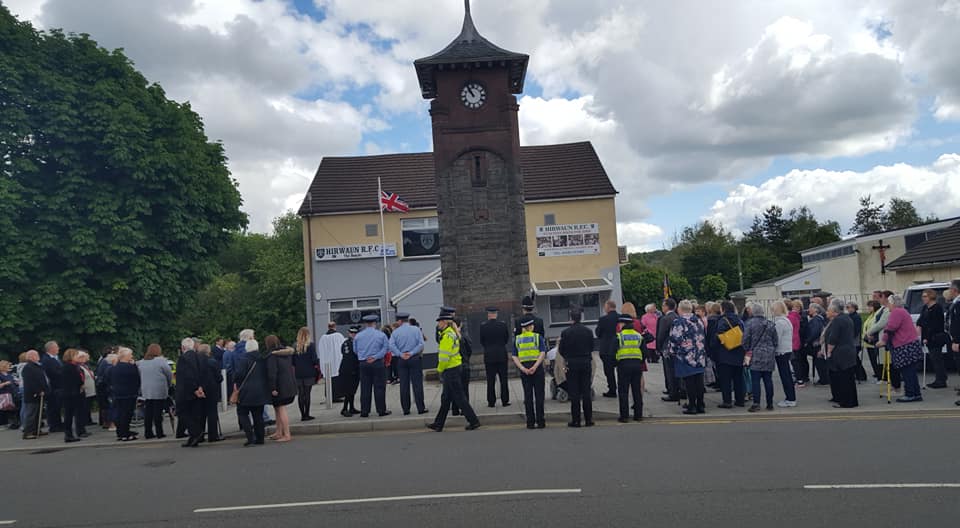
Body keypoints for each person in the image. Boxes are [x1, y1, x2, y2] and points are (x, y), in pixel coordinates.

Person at [427, 312, 480, 432]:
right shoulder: (451, 333)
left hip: (450, 369)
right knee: (446, 398)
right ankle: (438, 423)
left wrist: (439, 370)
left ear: (445, 322)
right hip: (454, 368)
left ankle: (474, 421)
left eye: (439, 322)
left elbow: (444, 357)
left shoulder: (447, 336)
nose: (438, 324)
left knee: (459, 398)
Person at [879, 294, 925, 403]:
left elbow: (890, 328)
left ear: (893, 303)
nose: (887, 306)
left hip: (904, 345)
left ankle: (910, 394)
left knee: (907, 371)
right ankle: (915, 393)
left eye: (889, 303)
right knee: (910, 371)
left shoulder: (896, 312)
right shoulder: (902, 311)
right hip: (910, 344)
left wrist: (883, 341)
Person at [559, 307, 594, 427]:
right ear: (581, 318)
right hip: (585, 362)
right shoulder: (588, 331)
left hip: (572, 363)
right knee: (586, 392)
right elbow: (592, 347)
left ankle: (576, 420)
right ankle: (589, 420)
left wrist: (568, 357)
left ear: (571, 319)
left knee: (574, 393)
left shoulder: (566, 333)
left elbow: (561, 350)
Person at [670, 301, 707, 415]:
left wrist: (672, 351)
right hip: (699, 354)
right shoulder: (698, 321)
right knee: (699, 380)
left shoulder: (679, 321)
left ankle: (692, 405)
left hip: (685, 355)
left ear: (680, 309)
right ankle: (700, 404)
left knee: (689, 381)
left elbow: (675, 338)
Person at [512, 316, 547, 429]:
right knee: (539, 395)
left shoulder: (517, 339)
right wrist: (536, 366)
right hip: (537, 369)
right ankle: (540, 421)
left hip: (525, 370)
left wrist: (522, 368)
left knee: (528, 396)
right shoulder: (537, 337)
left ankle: (530, 422)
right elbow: (542, 353)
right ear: (531, 327)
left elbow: (514, 356)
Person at [390, 313, 428, 415]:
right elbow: (421, 344)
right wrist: (411, 353)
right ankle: (421, 408)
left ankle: (406, 409)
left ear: (399, 321)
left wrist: (400, 354)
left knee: (404, 384)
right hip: (414, 358)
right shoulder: (416, 330)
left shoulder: (395, 332)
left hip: (402, 359)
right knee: (417, 384)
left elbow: (391, 345)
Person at [233, 338, 269, 446]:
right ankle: (260, 438)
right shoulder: (263, 359)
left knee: (242, 413)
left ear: (246, 348)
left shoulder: (244, 359)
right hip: (260, 391)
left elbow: (238, 375)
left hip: (246, 391)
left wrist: (234, 381)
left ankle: (250, 437)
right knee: (258, 416)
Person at [823, 299, 859, 408]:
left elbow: (833, 338)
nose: (827, 312)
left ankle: (846, 401)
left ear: (834, 311)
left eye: (828, 310)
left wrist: (828, 351)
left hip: (840, 353)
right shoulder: (847, 318)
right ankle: (852, 400)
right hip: (848, 351)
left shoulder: (837, 321)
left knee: (843, 379)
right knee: (849, 378)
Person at [742, 303, 778, 412]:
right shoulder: (770, 324)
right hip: (769, 354)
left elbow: (745, 340)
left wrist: (748, 349)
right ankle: (770, 403)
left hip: (756, 354)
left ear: (753, 312)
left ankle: (756, 403)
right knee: (768, 380)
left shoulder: (750, 323)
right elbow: (775, 341)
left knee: (755, 380)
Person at [354, 314, 391, 417]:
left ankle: (364, 411)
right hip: (377, 363)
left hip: (363, 363)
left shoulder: (358, 336)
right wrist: (375, 357)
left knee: (365, 388)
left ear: (366, 324)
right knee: (379, 387)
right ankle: (381, 410)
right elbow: (386, 349)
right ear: (375, 323)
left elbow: (355, 350)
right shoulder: (381, 335)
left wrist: (365, 357)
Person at [174, 338, 207, 447]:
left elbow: (187, 376)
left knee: (182, 413)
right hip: (197, 389)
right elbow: (202, 373)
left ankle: (196, 432)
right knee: (194, 414)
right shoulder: (199, 357)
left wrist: (195, 389)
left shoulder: (183, 359)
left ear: (183, 347)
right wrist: (200, 387)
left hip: (186, 391)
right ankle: (193, 437)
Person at [713, 301, 746, 408]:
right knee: (739, 378)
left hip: (725, 353)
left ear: (723, 309)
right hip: (739, 352)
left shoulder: (722, 320)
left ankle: (727, 401)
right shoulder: (739, 320)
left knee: (725, 379)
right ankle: (740, 400)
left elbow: (718, 336)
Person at [265, 335, 296, 442]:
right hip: (289, 384)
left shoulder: (272, 356)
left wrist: (272, 387)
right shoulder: (286, 353)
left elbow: (272, 373)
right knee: (277, 408)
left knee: (281, 408)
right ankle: (278, 432)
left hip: (279, 386)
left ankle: (287, 434)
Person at [138, 344, 172, 439]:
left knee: (148, 412)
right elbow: (168, 374)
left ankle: (148, 432)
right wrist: (168, 385)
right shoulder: (161, 361)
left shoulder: (141, 362)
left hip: (146, 390)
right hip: (159, 389)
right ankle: (159, 432)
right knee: (158, 412)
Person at [616, 314, 646, 421]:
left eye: (619, 323)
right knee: (636, 390)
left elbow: (613, 351)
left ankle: (624, 416)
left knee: (623, 391)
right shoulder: (638, 335)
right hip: (637, 365)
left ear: (623, 324)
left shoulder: (619, 336)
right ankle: (638, 415)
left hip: (623, 365)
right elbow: (644, 352)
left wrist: (616, 363)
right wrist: (640, 361)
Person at [479, 306, 511, 408]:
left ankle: (491, 402)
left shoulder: (483, 326)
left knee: (490, 380)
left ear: (488, 315)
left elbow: (482, 341)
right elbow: (506, 339)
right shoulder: (502, 325)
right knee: (503, 380)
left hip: (489, 356)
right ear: (496, 314)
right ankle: (505, 401)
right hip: (501, 355)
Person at [916, 289, 948, 389]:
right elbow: (921, 320)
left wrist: (927, 337)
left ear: (931, 297)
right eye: (923, 296)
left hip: (935, 337)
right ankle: (940, 378)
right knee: (934, 359)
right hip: (927, 337)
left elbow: (934, 325)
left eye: (925, 296)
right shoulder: (925, 307)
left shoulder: (937, 308)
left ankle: (941, 380)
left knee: (937, 358)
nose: (923, 298)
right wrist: (919, 325)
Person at [108, 347, 141, 442]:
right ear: (126, 356)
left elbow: (109, 379)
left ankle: (120, 432)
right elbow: (136, 379)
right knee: (127, 414)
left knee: (120, 413)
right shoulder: (130, 367)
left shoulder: (114, 367)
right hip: (129, 394)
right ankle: (125, 433)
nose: (132, 356)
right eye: (130, 355)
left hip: (118, 393)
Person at [772, 301, 797, 407]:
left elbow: (776, 338)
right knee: (786, 375)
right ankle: (790, 398)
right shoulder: (786, 320)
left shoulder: (779, 322)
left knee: (785, 376)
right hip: (786, 350)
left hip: (781, 351)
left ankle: (790, 399)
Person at [292, 327, 319, 421]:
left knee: (300, 394)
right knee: (307, 393)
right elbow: (314, 359)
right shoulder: (311, 345)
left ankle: (302, 415)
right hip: (309, 372)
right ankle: (307, 414)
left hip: (298, 373)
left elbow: (292, 362)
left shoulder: (295, 346)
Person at [198, 344, 223, 443]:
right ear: (208, 352)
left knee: (201, 413)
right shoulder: (212, 362)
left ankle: (200, 435)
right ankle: (213, 435)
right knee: (212, 412)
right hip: (212, 389)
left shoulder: (196, 362)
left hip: (200, 389)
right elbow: (219, 377)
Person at [20, 350, 48, 439]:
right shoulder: (28, 367)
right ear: (31, 357)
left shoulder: (36, 366)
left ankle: (36, 429)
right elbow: (31, 382)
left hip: (39, 394)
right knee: (31, 414)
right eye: (36, 355)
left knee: (37, 413)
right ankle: (28, 432)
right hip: (32, 394)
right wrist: (38, 390)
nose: (38, 356)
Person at [657, 298, 680, 402]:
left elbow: (661, 335)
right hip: (677, 348)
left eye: (663, 305)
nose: (662, 308)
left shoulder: (665, 319)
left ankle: (673, 392)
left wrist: (658, 347)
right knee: (676, 371)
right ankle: (678, 390)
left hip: (667, 348)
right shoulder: (677, 317)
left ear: (667, 306)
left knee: (669, 372)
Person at [596, 300, 620, 398]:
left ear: (609, 307)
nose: (604, 309)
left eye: (605, 307)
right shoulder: (621, 317)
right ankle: (622, 387)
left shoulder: (603, 319)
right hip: (619, 348)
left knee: (609, 371)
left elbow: (598, 333)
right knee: (621, 370)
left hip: (607, 348)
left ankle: (612, 389)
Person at [318, 322, 346, 402]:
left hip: (327, 361)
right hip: (336, 360)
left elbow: (321, 350)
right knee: (336, 378)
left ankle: (329, 396)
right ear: (335, 327)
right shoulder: (339, 336)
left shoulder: (323, 338)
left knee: (329, 378)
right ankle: (337, 395)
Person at [40, 341, 64, 432]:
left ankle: (58, 423)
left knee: (57, 406)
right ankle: (54, 425)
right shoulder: (46, 360)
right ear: (51, 348)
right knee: (53, 407)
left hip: (58, 386)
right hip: (53, 387)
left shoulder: (55, 358)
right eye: (57, 347)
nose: (58, 348)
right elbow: (52, 373)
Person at [338, 326, 361, 417]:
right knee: (348, 390)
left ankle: (351, 407)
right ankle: (344, 409)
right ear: (349, 333)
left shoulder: (356, 342)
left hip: (355, 369)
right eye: (352, 333)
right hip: (348, 369)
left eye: (355, 333)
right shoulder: (347, 344)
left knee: (353, 390)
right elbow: (348, 357)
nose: (353, 335)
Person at [802, 304, 826, 385]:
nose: (808, 310)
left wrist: (807, 341)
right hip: (818, 342)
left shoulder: (816, 320)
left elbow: (815, 332)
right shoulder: (819, 318)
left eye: (810, 308)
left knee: (819, 362)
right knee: (819, 362)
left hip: (816, 343)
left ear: (815, 310)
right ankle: (823, 378)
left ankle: (824, 379)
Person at [861, 300, 884, 383]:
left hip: (873, 340)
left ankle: (881, 377)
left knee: (876, 360)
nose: (868, 308)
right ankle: (878, 376)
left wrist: (871, 334)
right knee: (873, 361)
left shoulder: (877, 314)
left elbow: (876, 326)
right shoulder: (871, 315)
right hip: (868, 341)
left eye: (870, 306)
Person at [946, 280, 960, 406]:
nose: (948, 291)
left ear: (955, 290)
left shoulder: (959, 304)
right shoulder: (954, 303)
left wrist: (957, 341)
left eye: (950, 289)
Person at [846, 302, 867, 382]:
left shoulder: (856, 317)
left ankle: (861, 375)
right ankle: (858, 374)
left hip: (855, 341)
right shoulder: (849, 316)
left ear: (854, 308)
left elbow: (856, 329)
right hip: (851, 340)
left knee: (855, 359)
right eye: (847, 307)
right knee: (854, 359)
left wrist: (851, 337)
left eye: (849, 307)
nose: (848, 309)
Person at [95, 353, 117, 430]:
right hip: (111, 390)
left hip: (108, 389)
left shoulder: (108, 368)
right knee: (112, 407)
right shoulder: (111, 368)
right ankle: (112, 424)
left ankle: (108, 422)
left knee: (109, 407)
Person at [0, 360, 20, 430]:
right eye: (8, 365)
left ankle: (15, 423)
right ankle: (9, 423)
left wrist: (17, 382)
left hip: (13, 393)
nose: (9, 367)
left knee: (14, 408)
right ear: (3, 366)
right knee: (7, 409)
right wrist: (5, 383)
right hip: (5, 394)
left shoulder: (10, 375)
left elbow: (15, 381)